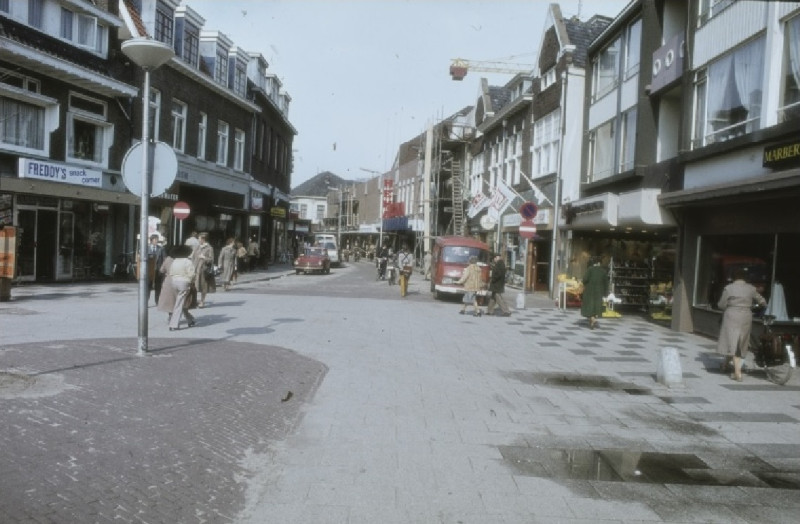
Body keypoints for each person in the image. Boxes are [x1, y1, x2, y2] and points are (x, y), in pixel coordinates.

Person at [717, 268, 767, 381]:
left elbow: (721, 305)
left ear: (733, 277)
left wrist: (729, 306)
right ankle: (725, 365)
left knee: (732, 342)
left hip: (731, 316)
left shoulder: (728, 288)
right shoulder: (751, 289)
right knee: (740, 342)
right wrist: (753, 306)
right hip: (746, 316)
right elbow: (762, 302)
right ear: (745, 278)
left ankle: (737, 373)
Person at [168, 245, 197, 331]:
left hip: (174, 282)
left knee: (180, 302)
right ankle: (174, 324)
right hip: (184, 282)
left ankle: (190, 319)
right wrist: (191, 281)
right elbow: (192, 274)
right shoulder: (187, 261)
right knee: (179, 304)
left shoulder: (175, 261)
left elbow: (171, 272)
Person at [581, 257, 608, 329]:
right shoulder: (603, 271)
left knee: (589, 306)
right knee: (596, 307)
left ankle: (592, 319)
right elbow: (606, 283)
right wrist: (606, 293)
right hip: (599, 292)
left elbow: (585, 279)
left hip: (589, 291)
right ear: (600, 263)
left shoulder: (590, 269)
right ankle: (593, 320)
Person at [191, 232, 215, 308]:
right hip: (195, 268)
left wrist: (204, 257)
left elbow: (211, 259)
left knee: (203, 286)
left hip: (203, 270)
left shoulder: (209, 248)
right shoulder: (197, 247)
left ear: (203, 239)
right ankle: (193, 301)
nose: (198, 239)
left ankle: (202, 301)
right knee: (194, 286)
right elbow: (193, 257)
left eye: (199, 238)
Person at [157, 246, 180, 323]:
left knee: (169, 300)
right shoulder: (180, 260)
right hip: (179, 280)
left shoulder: (167, 259)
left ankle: (170, 315)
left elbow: (161, 270)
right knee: (178, 299)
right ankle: (177, 316)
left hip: (168, 281)